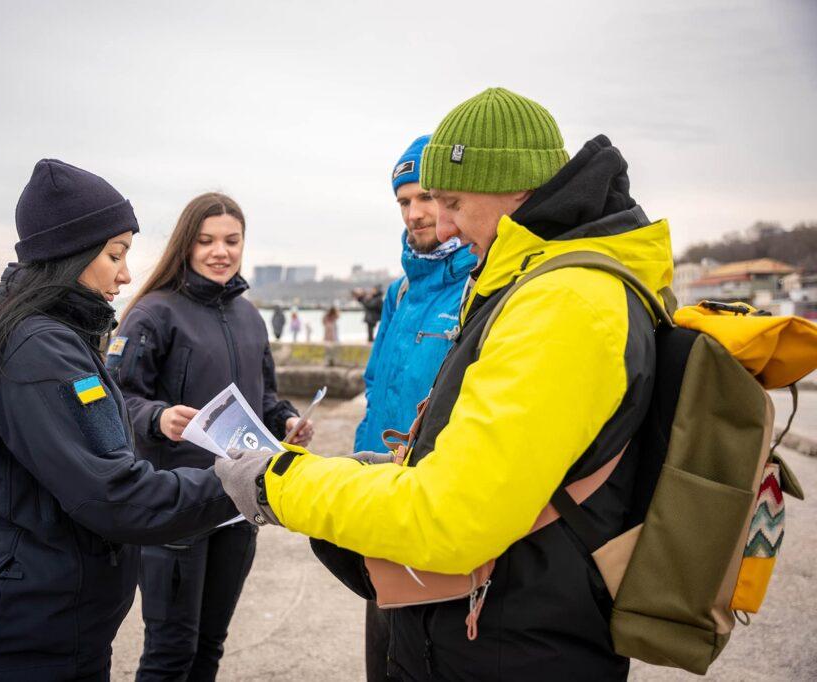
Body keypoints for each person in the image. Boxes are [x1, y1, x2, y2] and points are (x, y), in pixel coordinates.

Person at [214, 88, 674, 681]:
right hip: (502, 623)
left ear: (514, 186)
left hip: (511, 643)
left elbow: (450, 519)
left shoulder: (564, 303)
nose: (444, 222)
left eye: (450, 199)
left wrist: (282, 482)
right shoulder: (546, 285)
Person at [0, 160, 238, 682]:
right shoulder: (39, 349)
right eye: (114, 254)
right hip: (32, 644)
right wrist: (244, 484)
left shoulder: (53, 337)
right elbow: (114, 495)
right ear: (66, 256)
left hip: (62, 629)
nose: (125, 274)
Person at [109, 192, 314, 682]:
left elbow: (264, 398)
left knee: (210, 646)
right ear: (187, 244)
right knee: (170, 652)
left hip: (239, 503)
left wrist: (287, 421)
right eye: (206, 241)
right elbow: (115, 395)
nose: (220, 251)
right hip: (175, 501)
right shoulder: (154, 312)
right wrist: (157, 418)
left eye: (231, 240)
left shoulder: (250, 316)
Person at [349, 134, 478, 680]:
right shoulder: (401, 292)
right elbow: (377, 387)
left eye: (426, 197)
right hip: (384, 511)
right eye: (404, 202)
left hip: (439, 514)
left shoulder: (482, 284)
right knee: (383, 662)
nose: (415, 213)